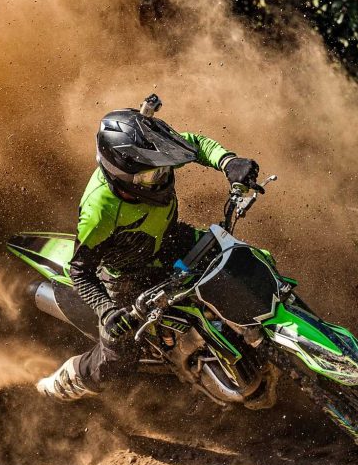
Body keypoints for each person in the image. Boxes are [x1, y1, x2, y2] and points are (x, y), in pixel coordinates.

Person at [36, 94, 262, 401]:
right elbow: (81, 271)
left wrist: (228, 161)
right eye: (150, 174)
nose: (161, 176)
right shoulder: (100, 210)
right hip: (125, 278)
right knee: (119, 359)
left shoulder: (152, 156)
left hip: (171, 242)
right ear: (120, 176)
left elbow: (195, 144)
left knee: (242, 260)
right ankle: (69, 379)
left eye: (162, 168)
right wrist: (107, 311)